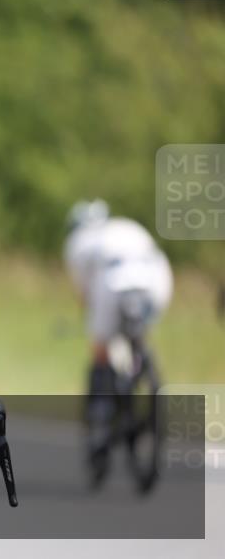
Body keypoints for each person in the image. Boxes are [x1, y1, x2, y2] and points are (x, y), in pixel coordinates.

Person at [63, 199, 173, 481]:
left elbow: (85, 294)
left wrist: (95, 324)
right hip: (156, 278)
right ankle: (141, 365)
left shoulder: (78, 241)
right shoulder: (127, 225)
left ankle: (101, 410)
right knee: (139, 335)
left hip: (113, 281)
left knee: (101, 349)